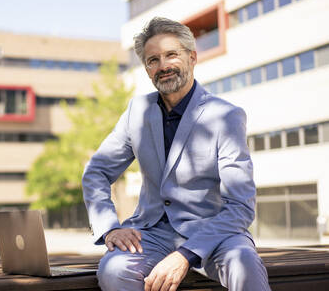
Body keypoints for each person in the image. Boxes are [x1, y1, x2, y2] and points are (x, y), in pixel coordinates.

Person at [81, 17, 270, 291]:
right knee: (113, 269)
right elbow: (97, 171)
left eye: (171, 55)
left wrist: (185, 256)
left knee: (244, 263)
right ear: (146, 69)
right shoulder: (137, 112)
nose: (163, 66)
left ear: (192, 57)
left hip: (214, 232)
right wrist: (110, 227)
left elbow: (241, 205)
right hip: (151, 232)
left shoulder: (226, 116)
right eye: (152, 60)